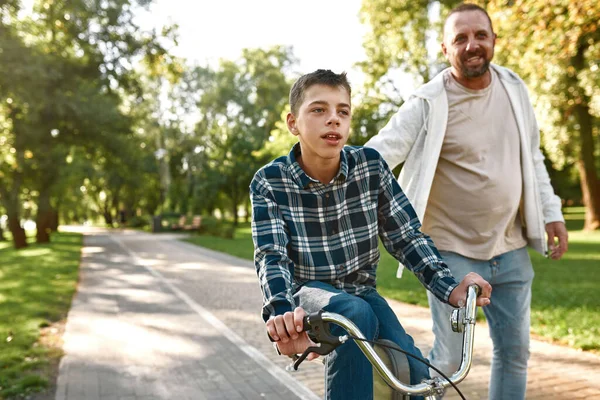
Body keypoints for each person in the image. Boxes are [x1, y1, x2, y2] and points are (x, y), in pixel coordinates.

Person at [364, 3, 568, 399]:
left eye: (480, 35)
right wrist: (322, 172)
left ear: (493, 40)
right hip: (450, 250)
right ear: (445, 48)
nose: (471, 45)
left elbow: (533, 157)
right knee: (450, 360)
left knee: (514, 353)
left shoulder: (514, 88)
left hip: (509, 249)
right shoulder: (428, 101)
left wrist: (551, 211)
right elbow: (379, 154)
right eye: (460, 38)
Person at [250, 69, 492, 400]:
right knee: (354, 313)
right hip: (307, 294)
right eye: (319, 110)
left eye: (342, 111)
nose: (333, 119)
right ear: (293, 123)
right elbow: (271, 255)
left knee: (418, 377)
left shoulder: (371, 167)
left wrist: (450, 289)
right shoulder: (269, 182)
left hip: (362, 292)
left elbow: (407, 237)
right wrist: (280, 312)